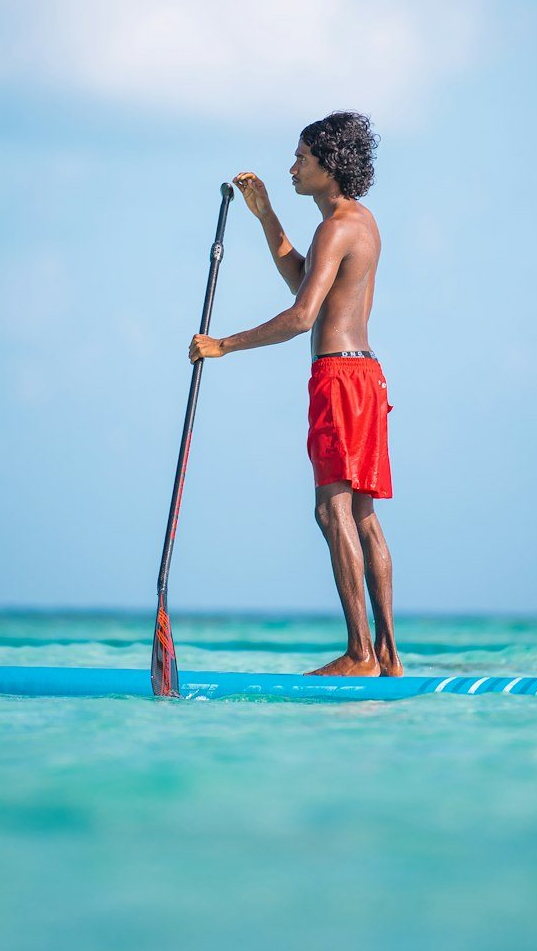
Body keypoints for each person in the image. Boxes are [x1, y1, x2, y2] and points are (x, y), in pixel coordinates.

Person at [189, 111, 402, 677]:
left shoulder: (336, 226)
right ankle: (386, 654)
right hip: (366, 375)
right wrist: (267, 218)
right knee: (362, 515)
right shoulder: (360, 221)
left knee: (333, 512)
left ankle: (359, 654)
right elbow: (306, 279)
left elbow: (302, 315)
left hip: (338, 378)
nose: (293, 167)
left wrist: (224, 344)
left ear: (330, 167)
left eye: (302, 159)